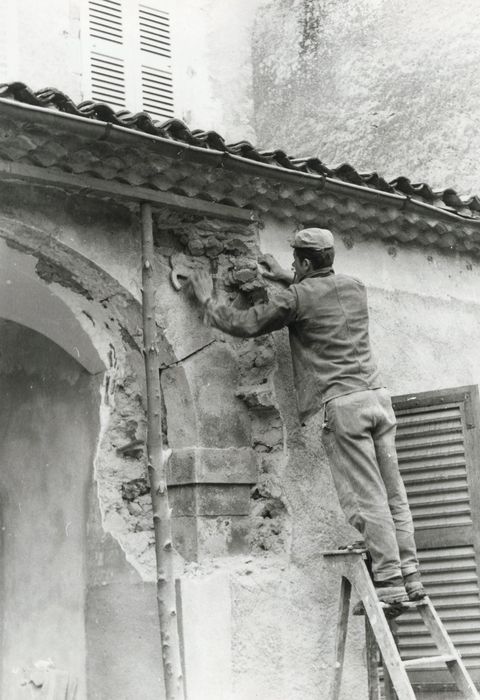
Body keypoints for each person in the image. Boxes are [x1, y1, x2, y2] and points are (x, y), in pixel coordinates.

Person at [187, 227, 425, 604]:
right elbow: (321, 293)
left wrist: (207, 302)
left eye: (298, 262)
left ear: (306, 263)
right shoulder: (354, 286)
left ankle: (391, 584)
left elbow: (247, 324)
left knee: (368, 498)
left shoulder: (296, 297)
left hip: (345, 406)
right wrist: (289, 276)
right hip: (378, 399)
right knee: (394, 493)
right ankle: (410, 576)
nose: (293, 267)